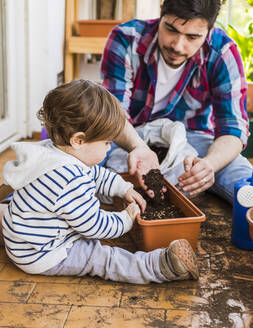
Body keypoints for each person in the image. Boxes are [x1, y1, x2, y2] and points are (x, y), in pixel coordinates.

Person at [1, 79, 198, 283]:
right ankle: (161, 266)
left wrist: (124, 188)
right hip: (42, 253)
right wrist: (126, 219)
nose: (108, 148)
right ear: (78, 140)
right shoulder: (70, 179)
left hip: (24, 236)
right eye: (106, 143)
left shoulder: (54, 152)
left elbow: (96, 174)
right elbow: (94, 226)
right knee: (101, 258)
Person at [100, 0, 252, 204]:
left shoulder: (222, 52)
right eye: (171, 29)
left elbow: (233, 129)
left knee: (243, 181)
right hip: (129, 135)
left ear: (210, 29)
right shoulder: (126, 39)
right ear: (161, 11)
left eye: (192, 37)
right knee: (81, 165)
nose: (178, 46)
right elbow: (113, 114)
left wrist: (208, 165)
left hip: (193, 139)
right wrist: (139, 147)